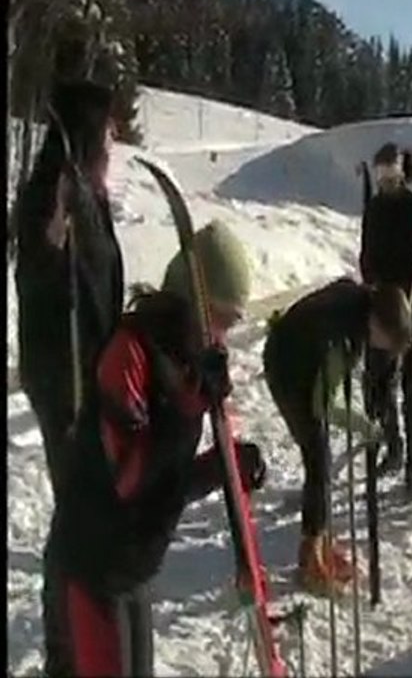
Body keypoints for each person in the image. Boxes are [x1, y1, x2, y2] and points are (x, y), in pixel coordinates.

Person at [42, 220, 266, 677]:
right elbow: (128, 479)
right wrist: (188, 407)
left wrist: (222, 468)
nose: (223, 333)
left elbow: (165, 485)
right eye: (221, 316)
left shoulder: (187, 359)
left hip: (132, 566)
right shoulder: (131, 352)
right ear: (193, 302)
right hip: (91, 565)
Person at [263, 277, 412, 595]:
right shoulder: (341, 339)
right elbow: (323, 405)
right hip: (288, 371)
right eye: (386, 342)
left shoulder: (359, 300)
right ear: (376, 323)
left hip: (297, 351)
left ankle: (320, 537)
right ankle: (309, 559)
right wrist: (366, 429)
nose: (383, 350)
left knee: (321, 456)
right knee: (319, 462)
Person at [13, 80, 124, 501]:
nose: (114, 140)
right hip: (64, 376)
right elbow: (41, 255)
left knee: (97, 495)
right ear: (88, 134)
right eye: (107, 131)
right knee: (81, 501)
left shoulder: (91, 196)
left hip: (94, 367)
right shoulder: (53, 193)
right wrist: (55, 209)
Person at [359, 142, 412, 497]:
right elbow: (365, 252)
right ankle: (393, 447)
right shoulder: (373, 207)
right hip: (380, 301)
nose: (385, 182)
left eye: (390, 175)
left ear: (401, 173)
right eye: (380, 176)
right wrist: (370, 283)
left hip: (408, 301)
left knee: (409, 383)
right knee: (378, 381)